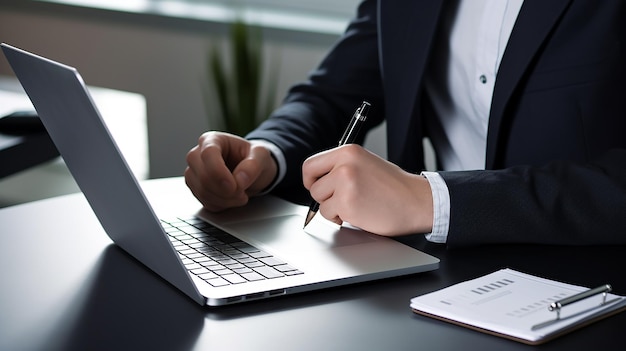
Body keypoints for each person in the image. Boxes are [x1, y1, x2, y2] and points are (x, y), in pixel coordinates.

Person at [185, 0, 626, 247]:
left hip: (589, 288)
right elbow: (336, 91)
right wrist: (266, 153)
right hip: (434, 278)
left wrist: (430, 201)